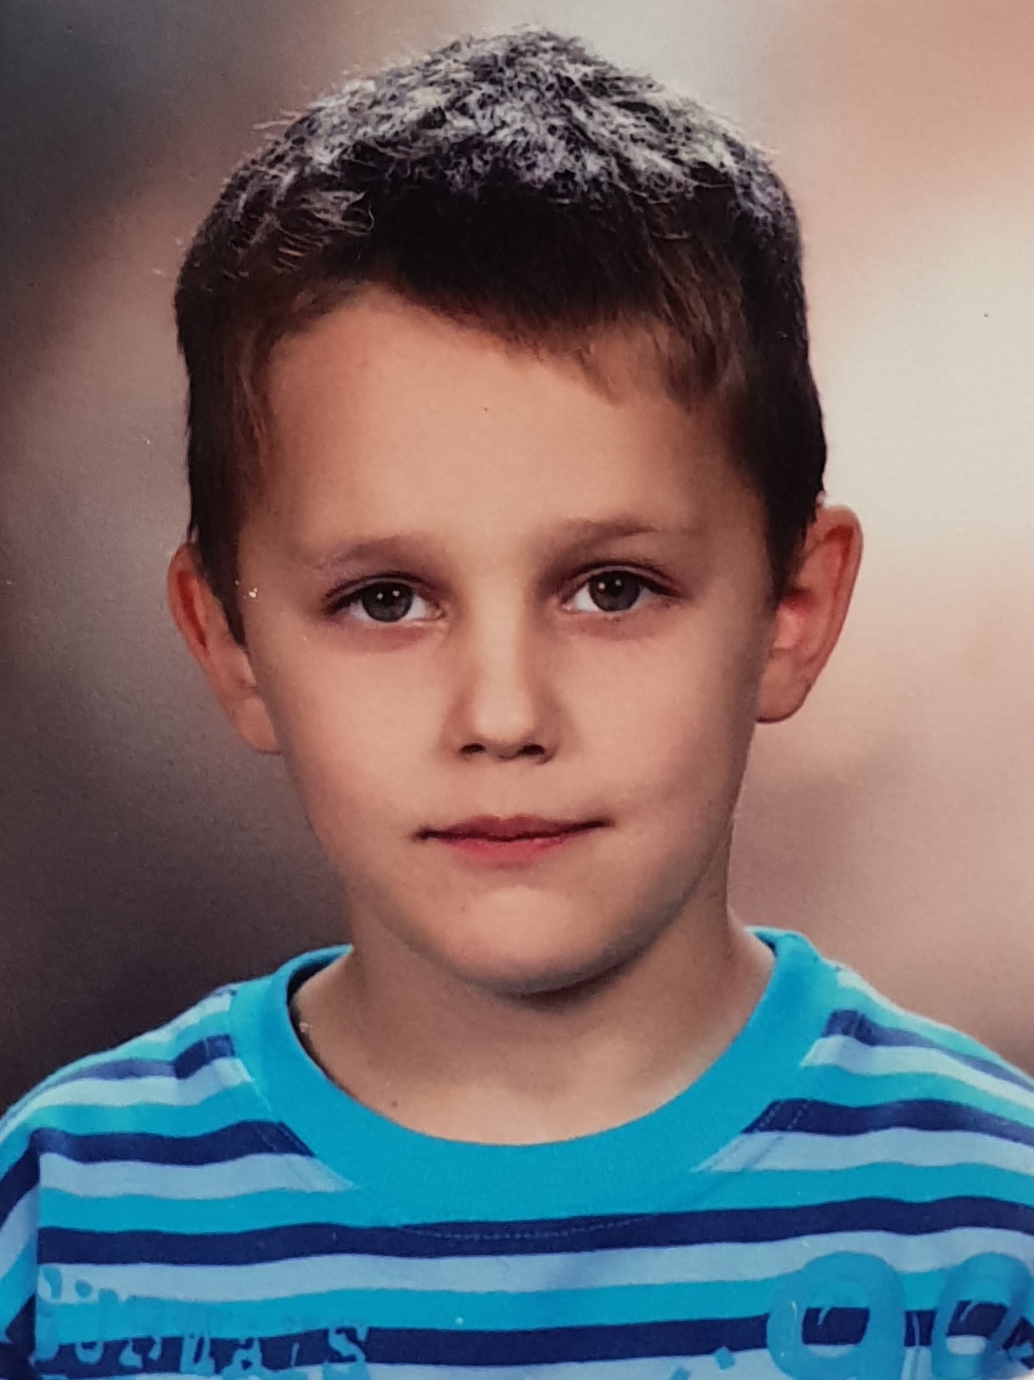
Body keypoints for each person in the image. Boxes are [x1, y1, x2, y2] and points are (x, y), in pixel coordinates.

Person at [2, 27, 1033, 1380]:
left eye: (610, 589)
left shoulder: (986, 1228)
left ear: (792, 610)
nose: (500, 713)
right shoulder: (66, 1221)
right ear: (229, 641)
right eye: (386, 600)